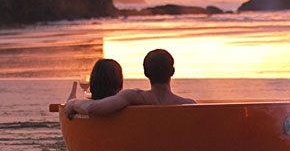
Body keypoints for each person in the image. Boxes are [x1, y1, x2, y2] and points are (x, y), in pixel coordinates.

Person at [65, 49, 196, 118]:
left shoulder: (134, 97)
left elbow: (93, 108)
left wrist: (73, 103)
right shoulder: (190, 105)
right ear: (172, 71)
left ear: (145, 73)